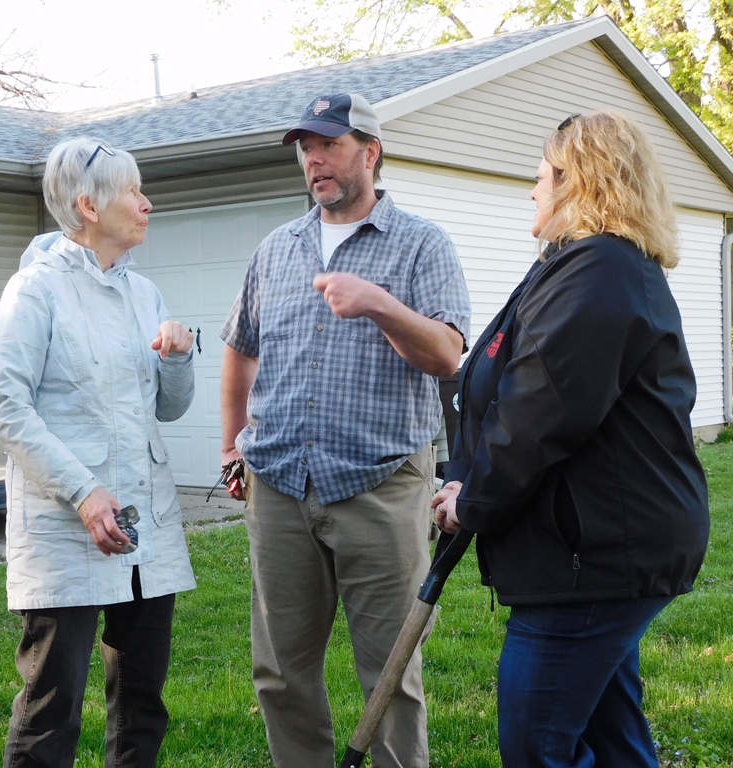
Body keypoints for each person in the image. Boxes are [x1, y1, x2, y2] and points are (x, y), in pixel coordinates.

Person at [431, 110, 710, 767]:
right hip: (589, 551)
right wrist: (461, 472)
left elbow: (538, 413)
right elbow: (489, 382)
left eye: (542, 176)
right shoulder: (573, 268)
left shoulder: (600, 273)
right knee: (614, 743)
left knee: (537, 744)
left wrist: (474, 502)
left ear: (578, 181)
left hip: (595, 558)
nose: (532, 190)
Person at [220, 93, 471, 768]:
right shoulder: (277, 249)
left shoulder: (422, 244)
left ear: (371, 152)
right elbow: (241, 349)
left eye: (329, 144)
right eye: (307, 148)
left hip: (381, 486)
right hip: (279, 486)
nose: (315, 160)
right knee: (280, 672)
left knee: (390, 676)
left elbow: (448, 355)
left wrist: (379, 304)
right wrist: (230, 444)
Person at [0, 137, 196, 768]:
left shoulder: (144, 294)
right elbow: (8, 410)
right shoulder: (34, 291)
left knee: (141, 705)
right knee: (52, 712)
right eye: (133, 191)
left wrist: (179, 358)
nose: (147, 203)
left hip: (145, 526)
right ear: (89, 206)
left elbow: (169, 409)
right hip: (63, 532)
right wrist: (83, 494)